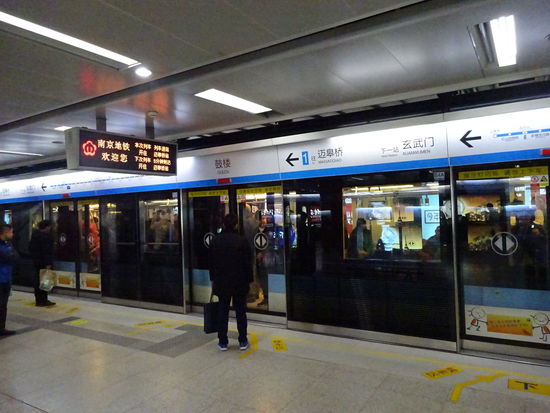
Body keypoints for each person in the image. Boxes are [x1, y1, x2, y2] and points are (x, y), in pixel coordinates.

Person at [209, 214, 253, 351]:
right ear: (236, 225)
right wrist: (249, 281)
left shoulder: (216, 241)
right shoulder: (242, 241)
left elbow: (211, 263)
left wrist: (213, 279)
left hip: (221, 282)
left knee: (222, 311)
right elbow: (247, 264)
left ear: (223, 224)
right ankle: (243, 340)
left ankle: (223, 341)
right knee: (240, 312)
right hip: (239, 282)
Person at [29, 220, 56, 307]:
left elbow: (31, 249)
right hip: (44, 263)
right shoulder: (45, 237)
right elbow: (47, 252)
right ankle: (43, 300)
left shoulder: (34, 235)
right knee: (44, 281)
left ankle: (39, 300)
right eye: (49, 226)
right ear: (47, 227)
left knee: (38, 281)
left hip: (37, 262)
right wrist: (48, 263)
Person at [0, 223, 18, 336]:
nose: (12, 234)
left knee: (3, 305)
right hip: (2, 279)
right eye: (11, 232)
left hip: (6, 278)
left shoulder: (7, 244)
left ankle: (1, 328)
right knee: (1, 305)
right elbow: (11, 257)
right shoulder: (4, 247)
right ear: (5, 232)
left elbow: (15, 256)